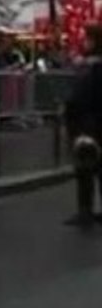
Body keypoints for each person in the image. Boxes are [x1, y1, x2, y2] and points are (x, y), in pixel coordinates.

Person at [65, 25, 102, 226]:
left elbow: (81, 97)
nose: (84, 42)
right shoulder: (89, 67)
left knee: (85, 169)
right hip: (93, 122)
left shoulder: (92, 69)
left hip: (90, 125)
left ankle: (85, 211)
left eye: (87, 38)